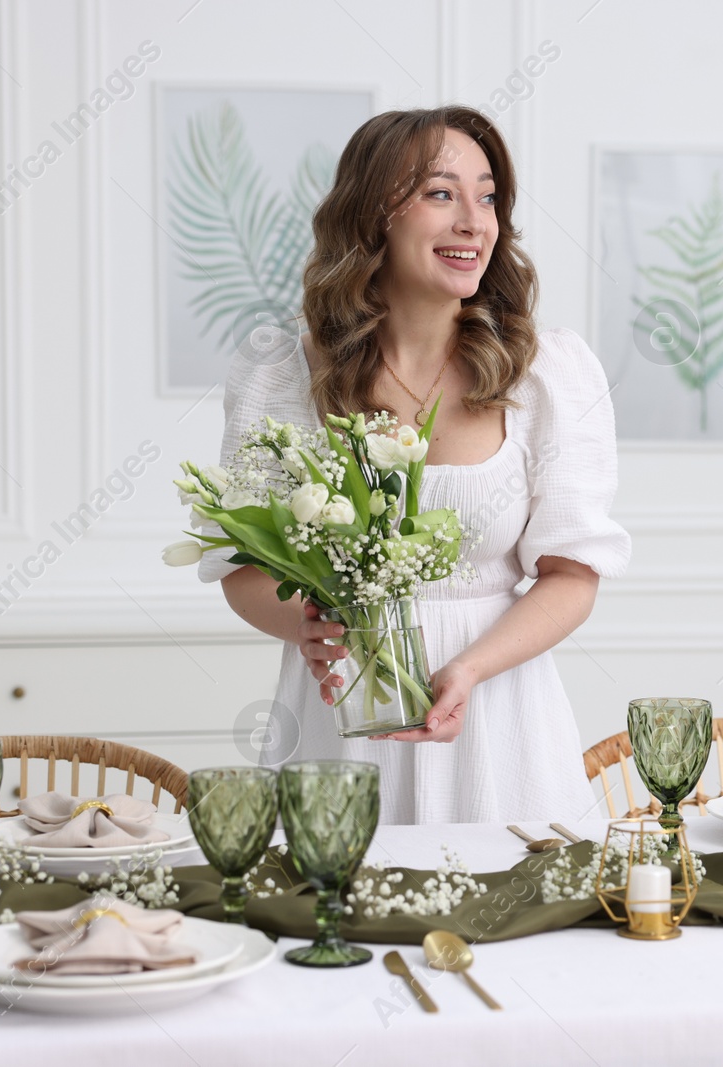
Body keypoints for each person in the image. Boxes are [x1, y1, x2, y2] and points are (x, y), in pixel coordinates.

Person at [192, 105, 629, 823]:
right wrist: (305, 623)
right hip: (337, 724)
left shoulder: (548, 372)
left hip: (499, 720)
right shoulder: (279, 372)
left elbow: (572, 575)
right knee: (334, 921)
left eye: (487, 196)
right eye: (440, 193)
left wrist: (470, 669)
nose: (474, 221)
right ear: (373, 217)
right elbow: (243, 571)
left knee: (513, 923)